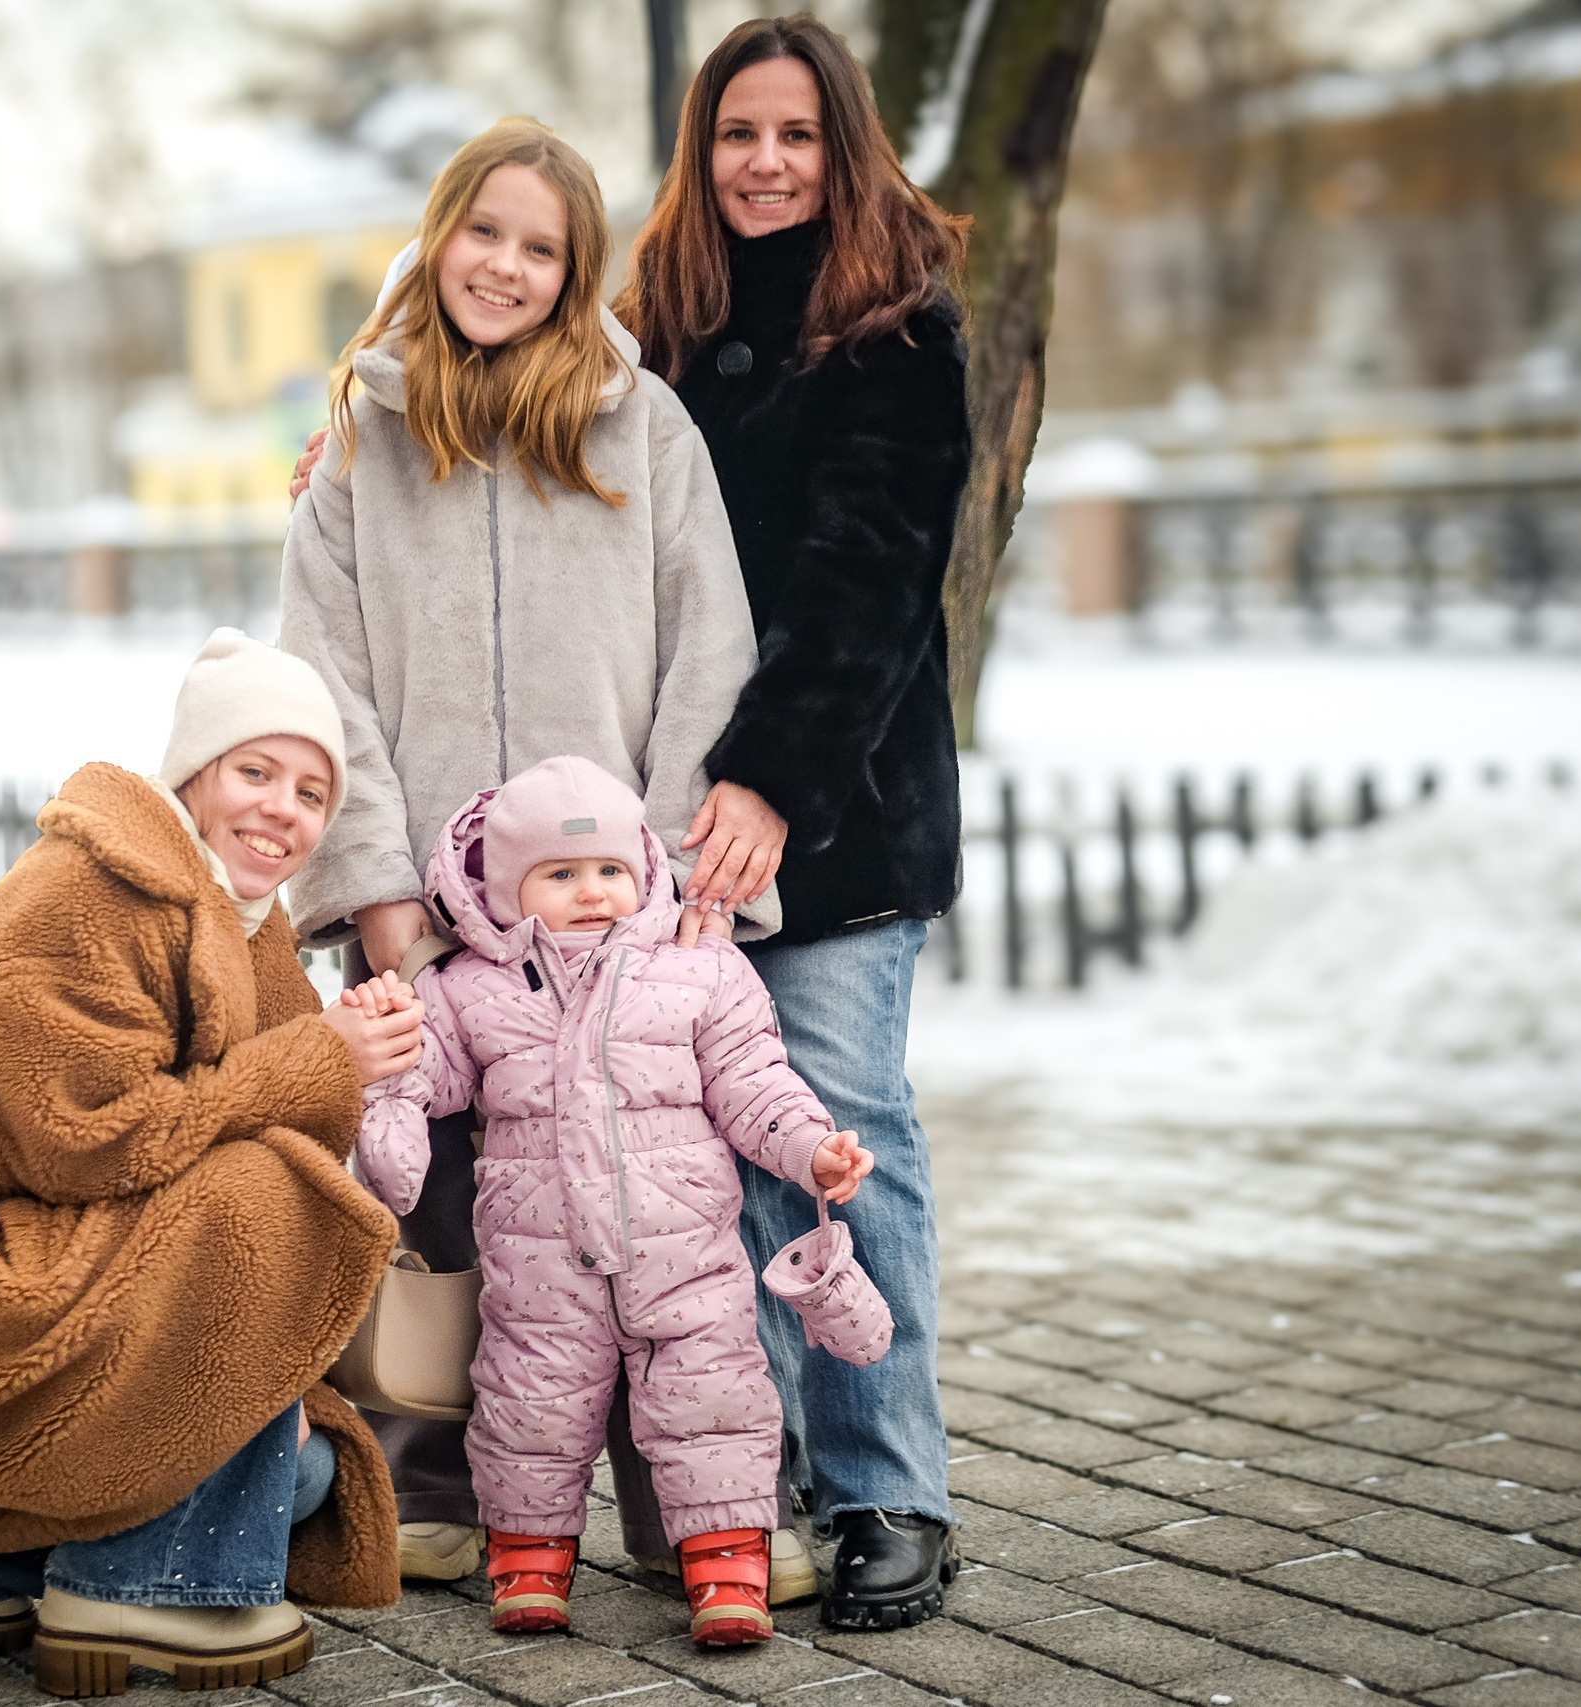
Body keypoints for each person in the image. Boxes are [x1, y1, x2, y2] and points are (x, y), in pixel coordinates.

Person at [276, 116, 810, 1594]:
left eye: (541, 246)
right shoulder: (367, 445)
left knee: (651, 1195)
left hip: (615, 904)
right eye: (483, 231)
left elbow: (712, 647)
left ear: (576, 274)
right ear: (439, 234)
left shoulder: (642, 427)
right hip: (434, 911)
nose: (504, 266)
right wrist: (379, 889)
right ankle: (436, 1483)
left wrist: (673, 878)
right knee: (444, 1198)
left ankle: (687, 1504)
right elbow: (326, 674)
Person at [0, 629, 426, 1695]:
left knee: (295, 1475)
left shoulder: (249, 930)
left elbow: (291, 1119)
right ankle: (141, 1585)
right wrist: (317, 1059)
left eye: (311, 793)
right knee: (265, 1202)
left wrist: (354, 1051)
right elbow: (89, 1141)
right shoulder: (92, 891)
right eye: (255, 772)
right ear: (194, 774)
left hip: (24, 1284)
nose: (282, 811)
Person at [614, 16, 975, 1631]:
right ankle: (732, 1486)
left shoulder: (894, 329)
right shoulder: (652, 331)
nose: (766, 162)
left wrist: (768, 778)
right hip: (677, 824)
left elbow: (869, 580)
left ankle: (886, 1490)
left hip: (835, 813)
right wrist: (356, 444)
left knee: (840, 1141)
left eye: (797, 135)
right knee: (701, 1157)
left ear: (846, 149)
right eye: (737, 134)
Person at [345, 757, 876, 1646]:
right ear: (506, 890)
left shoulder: (697, 968)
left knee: (711, 1400)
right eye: (559, 874)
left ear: (642, 870)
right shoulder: (470, 985)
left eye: (609, 871)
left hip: (686, 1256)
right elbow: (431, 1078)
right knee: (529, 1408)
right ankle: (529, 1562)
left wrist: (810, 1146)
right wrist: (391, 1054)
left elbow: (753, 1080)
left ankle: (727, 1566)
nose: (592, 892)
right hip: (540, 1263)